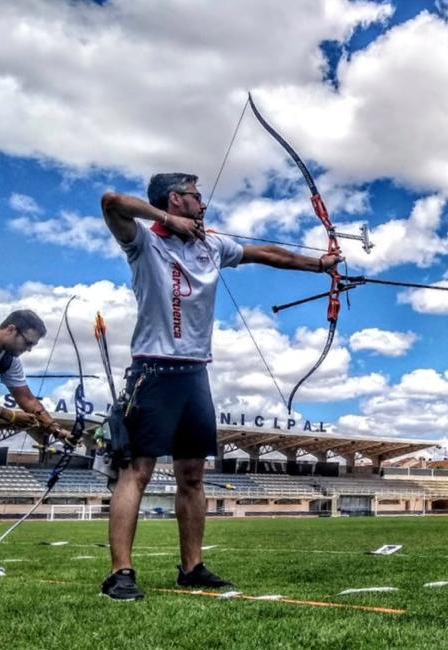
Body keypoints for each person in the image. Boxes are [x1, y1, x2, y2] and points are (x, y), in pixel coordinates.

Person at [98, 172, 341, 601]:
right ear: (175, 200)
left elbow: (265, 253)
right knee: (137, 471)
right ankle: (121, 573)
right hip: (153, 369)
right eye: (194, 196)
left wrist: (318, 265)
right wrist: (164, 221)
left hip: (195, 374)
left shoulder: (211, 244)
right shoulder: (144, 241)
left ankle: (191, 567)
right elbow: (111, 200)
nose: (202, 203)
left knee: (192, 474)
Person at [0, 310, 77, 445]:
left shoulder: (9, 360)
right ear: (11, 330)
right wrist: (10, 415)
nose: (29, 349)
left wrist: (56, 430)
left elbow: (28, 400)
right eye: (28, 343)